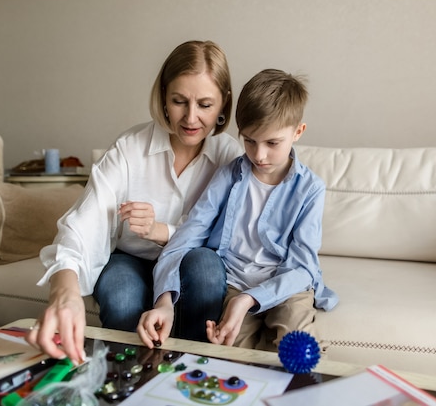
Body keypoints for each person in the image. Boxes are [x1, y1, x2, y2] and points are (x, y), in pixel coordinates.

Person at [25, 40, 243, 365]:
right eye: (179, 101)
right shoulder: (129, 149)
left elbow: (231, 233)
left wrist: (162, 230)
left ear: (224, 102)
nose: (191, 118)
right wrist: (64, 290)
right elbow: (85, 223)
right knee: (122, 297)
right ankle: (129, 383)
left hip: (194, 260)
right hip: (130, 258)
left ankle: (194, 376)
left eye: (206, 105)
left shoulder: (231, 157)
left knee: (207, 271)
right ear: (164, 97)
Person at [137, 69, 338, 350]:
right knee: (232, 352)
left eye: (272, 143)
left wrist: (248, 300)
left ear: (298, 132)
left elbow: (303, 267)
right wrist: (165, 299)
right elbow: (188, 235)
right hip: (236, 282)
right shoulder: (228, 175)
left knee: (298, 346)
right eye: (250, 141)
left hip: (286, 286)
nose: (259, 155)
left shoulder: (310, 189)